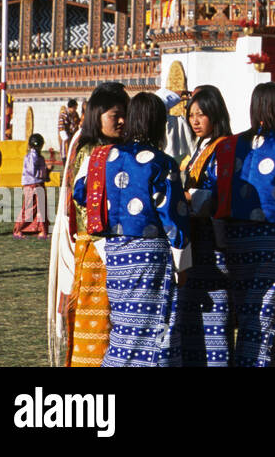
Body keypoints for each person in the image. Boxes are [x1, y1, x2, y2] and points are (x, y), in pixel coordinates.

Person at [195, 82, 275, 367]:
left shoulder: (227, 146)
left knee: (243, 310)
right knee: (261, 317)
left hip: (233, 238)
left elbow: (210, 190)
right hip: (268, 239)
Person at [73, 92, 191, 366]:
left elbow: (81, 191)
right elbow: (173, 216)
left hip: (115, 253)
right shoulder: (161, 162)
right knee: (153, 328)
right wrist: (182, 262)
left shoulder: (102, 158)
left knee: (124, 325)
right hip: (150, 253)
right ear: (159, 124)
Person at [62, 82, 128, 367]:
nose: (122, 121)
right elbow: (88, 204)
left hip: (107, 248)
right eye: (116, 115)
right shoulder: (93, 152)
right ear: (98, 115)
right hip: (97, 249)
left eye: (125, 115)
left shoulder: (110, 149)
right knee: (97, 324)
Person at [177, 84, 235, 366]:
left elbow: (219, 194)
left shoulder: (224, 147)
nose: (195, 121)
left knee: (215, 314)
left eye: (201, 115)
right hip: (196, 238)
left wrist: (185, 197)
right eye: (191, 115)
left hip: (213, 240)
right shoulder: (201, 147)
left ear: (215, 114)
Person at [14, 133, 50, 238]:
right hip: (32, 184)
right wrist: (44, 174)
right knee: (30, 208)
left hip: (38, 183)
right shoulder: (31, 156)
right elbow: (32, 171)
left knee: (41, 208)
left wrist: (46, 172)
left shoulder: (39, 156)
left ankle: (41, 229)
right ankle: (19, 229)